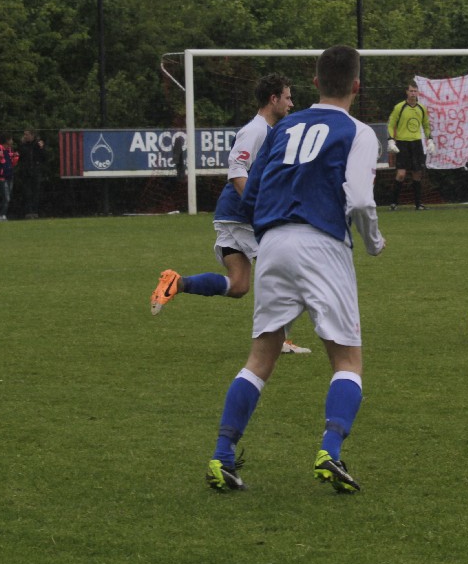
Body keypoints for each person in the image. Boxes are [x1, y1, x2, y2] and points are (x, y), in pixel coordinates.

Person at [204, 45, 385, 493]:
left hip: (272, 243)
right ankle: (330, 451)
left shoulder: (283, 125)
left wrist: (272, 226)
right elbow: (361, 199)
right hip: (322, 244)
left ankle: (222, 456)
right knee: (347, 360)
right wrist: (373, 242)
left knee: (259, 359)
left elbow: (251, 193)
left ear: (316, 82)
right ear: (357, 86)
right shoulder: (359, 131)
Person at [150, 74, 311, 355]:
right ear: (273, 99)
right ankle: (278, 340)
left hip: (233, 215)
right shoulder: (256, 130)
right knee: (295, 274)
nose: (291, 103)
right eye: (287, 97)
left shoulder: (269, 130)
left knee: (238, 285)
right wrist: (259, 209)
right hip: (242, 218)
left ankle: (177, 282)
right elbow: (236, 171)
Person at [386, 82, 435, 211]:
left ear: (418, 93)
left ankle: (418, 204)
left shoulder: (422, 108)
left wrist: (430, 140)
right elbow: (391, 124)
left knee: (417, 173)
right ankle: (393, 203)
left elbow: (426, 125)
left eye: (415, 91)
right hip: (402, 143)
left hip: (417, 143)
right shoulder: (399, 107)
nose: (413, 93)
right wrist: (391, 140)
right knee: (401, 174)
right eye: (411, 91)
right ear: (407, 92)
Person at [16, 129, 46, 218]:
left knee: (35, 192)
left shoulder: (37, 145)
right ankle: (28, 212)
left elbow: (44, 157)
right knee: (27, 193)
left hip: (35, 171)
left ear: (32, 135)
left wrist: (42, 148)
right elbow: (20, 158)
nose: (25, 136)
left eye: (27, 134)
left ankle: (35, 212)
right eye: (24, 134)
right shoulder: (22, 145)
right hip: (26, 172)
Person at [0, 133, 19, 221]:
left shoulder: (9, 151)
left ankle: (0, 215)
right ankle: (0, 214)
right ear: (6, 140)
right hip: (1, 177)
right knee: (6, 198)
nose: (12, 141)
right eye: (11, 139)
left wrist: (15, 158)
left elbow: (12, 164)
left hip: (9, 177)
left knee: (7, 197)